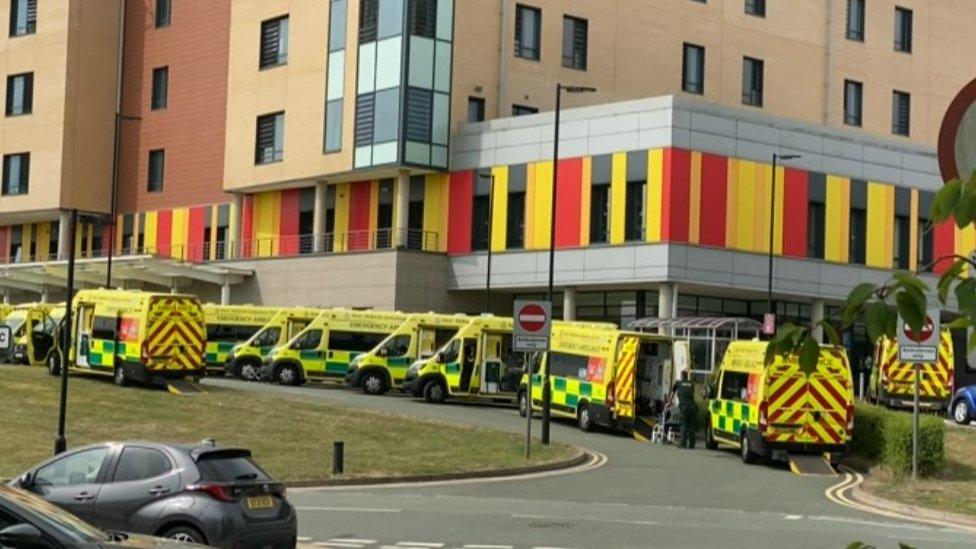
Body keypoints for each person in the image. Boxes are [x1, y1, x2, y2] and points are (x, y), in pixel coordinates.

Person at [669, 370, 698, 449]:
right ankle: (692, 445)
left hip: (684, 407)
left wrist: (669, 402)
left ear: (681, 376)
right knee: (692, 426)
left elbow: (672, 393)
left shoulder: (678, 383)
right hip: (692, 407)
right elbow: (692, 394)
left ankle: (683, 444)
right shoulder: (691, 383)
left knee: (684, 425)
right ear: (687, 376)